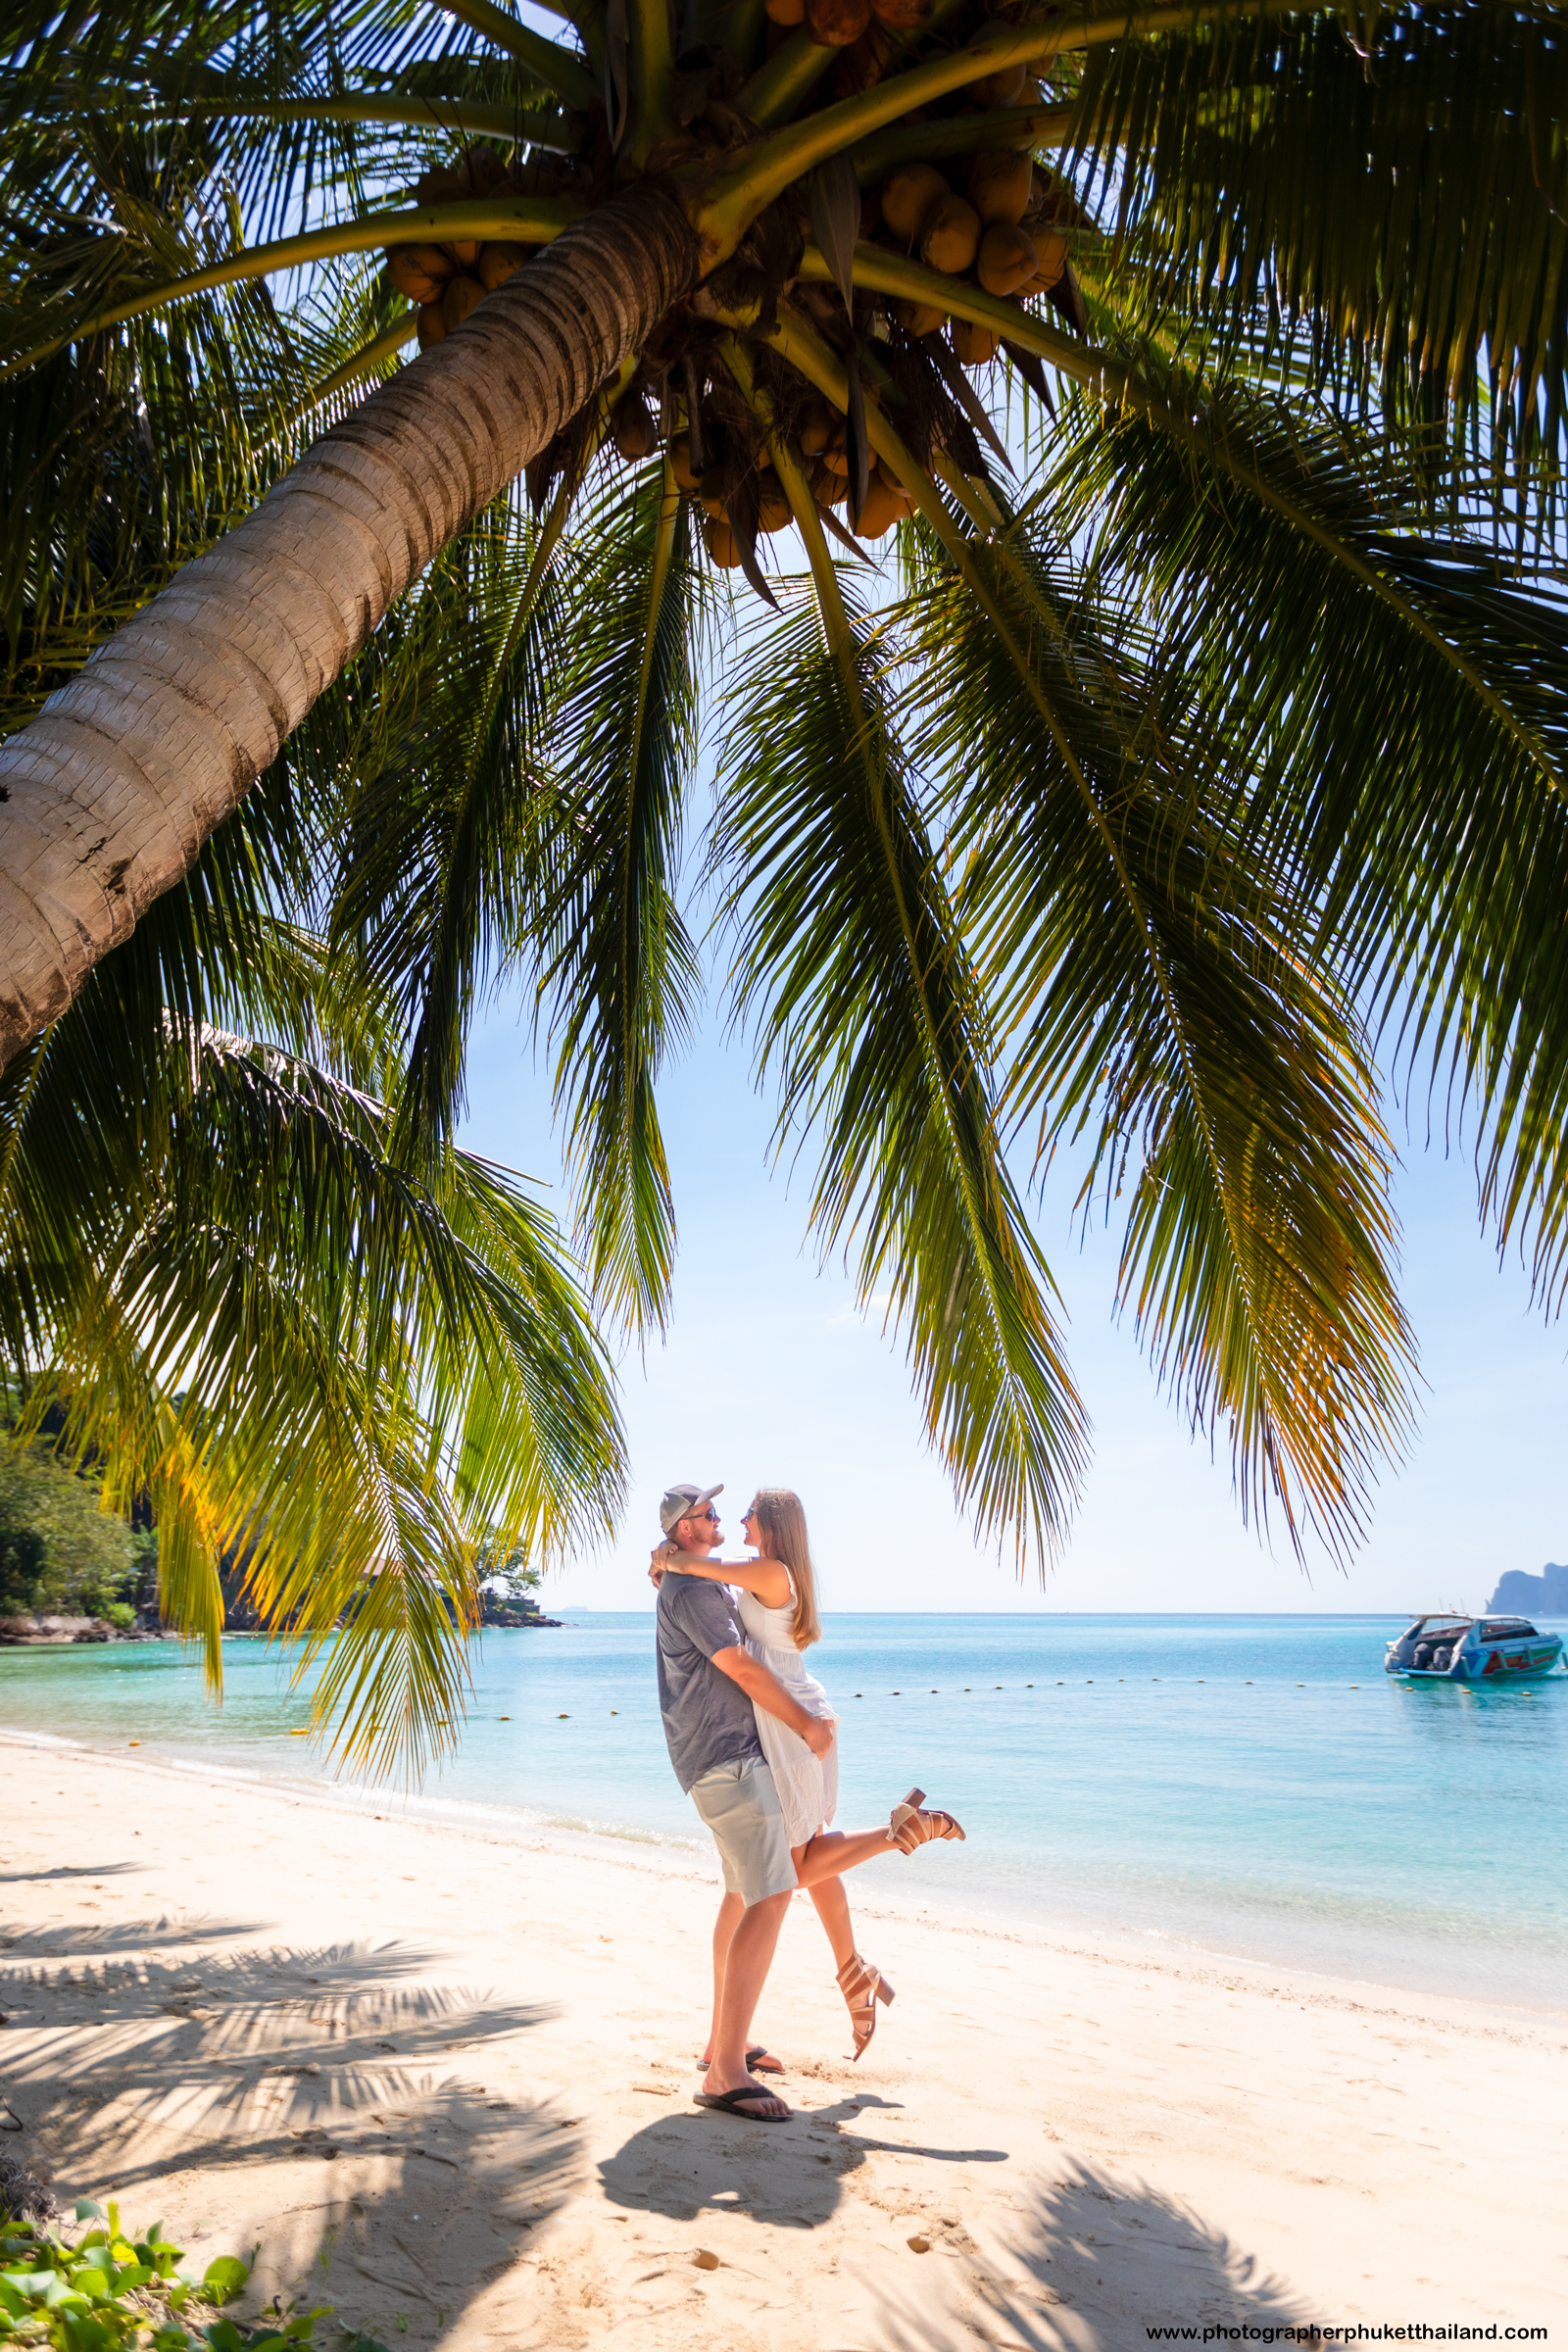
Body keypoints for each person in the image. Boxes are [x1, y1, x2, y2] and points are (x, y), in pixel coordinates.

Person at [653, 1482, 964, 2081]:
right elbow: (704, 1580)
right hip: (777, 1728)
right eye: (715, 1512)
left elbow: (708, 1584)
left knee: (786, 1873)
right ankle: (835, 1979)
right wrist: (667, 1559)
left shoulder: (769, 1570)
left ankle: (896, 1835)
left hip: (792, 1728)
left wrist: (668, 1556)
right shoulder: (743, 1575)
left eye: (742, 1513)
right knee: (762, 1883)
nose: (733, 1518)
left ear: (770, 1525)